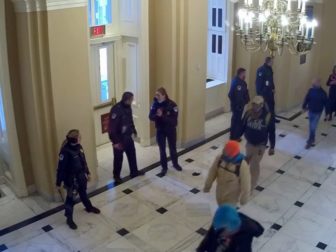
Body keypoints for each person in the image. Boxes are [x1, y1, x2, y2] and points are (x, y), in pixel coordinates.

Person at [56, 129, 100, 230]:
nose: (81, 138)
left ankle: (89, 207)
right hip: (71, 180)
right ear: (74, 139)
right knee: (70, 199)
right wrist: (58, 182)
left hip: (81, 176)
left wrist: (87, 173)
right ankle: (69, 218)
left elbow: (83, 161)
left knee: (83, 193)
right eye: (79, 137)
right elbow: (61, 169)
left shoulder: (79, 147)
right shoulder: (65, 151)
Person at [239, 96, 275, 190]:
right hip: (249, 143)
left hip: (260, 145)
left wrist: (272, 147)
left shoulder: (267, 116)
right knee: (247, 161)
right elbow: (242, 126)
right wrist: (236, 137)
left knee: (254, 164)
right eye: (254, 104)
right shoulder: (248, 114)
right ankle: (245, 179)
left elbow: (272, 132)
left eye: (257, 105)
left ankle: (251, 185)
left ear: (262, 105)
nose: (255, 107)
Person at [108, 92, 145, 184]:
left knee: (132, 154)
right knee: (118, 158)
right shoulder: (116, 109)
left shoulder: (128, 107)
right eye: (132, 100)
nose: (133, 101)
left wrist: (134, 130)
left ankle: (134, 171)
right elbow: (111, 128)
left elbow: (130, 121)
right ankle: (116, 176)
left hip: (128, 137)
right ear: (128, 100)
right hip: (119, 138)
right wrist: (115, 142)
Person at [197, 204, 264, 252]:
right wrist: (200, 249)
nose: (221, 234)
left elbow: (259, 230)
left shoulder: (245, 234)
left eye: (223, 231)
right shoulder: (220, 222)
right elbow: (209, 236)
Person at [203, 140, 251, 207]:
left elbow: (246, 184)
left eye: (227, 149)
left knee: (227, 214)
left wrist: (243, 200)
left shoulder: (242, 165)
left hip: (231, 198)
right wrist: (207, 187)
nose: (224, 150)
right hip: (219, 194)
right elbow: (212, 173)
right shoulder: (220, 158)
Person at [149, 87, 182, 176]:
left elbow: (173, 121)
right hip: (160, 130)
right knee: (162, 150)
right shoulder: (155, 104)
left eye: (158, 95)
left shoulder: (172, 105)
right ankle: (164, 167)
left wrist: (162, 116)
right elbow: (150, 117)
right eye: (156, 94)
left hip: (170, 129)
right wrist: (157, 115)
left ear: (164, 95)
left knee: (172, 148)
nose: (156, 96)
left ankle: (175, 164)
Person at [302, 78, 328, 149]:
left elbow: (326, 103)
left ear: (319, 84)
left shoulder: (323, 93)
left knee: (313, 127)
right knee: (311, 125)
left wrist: (327, 113)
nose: (312, 85)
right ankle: (312, 138)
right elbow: (307, 98)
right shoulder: (311, 90)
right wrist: (304, 106)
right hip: (310, 111)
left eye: (314, 83)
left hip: (317, 112)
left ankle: (310, 140)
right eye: (312, 83)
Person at [256, 57, 280, 123]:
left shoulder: (269, 69)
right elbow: (258, 83)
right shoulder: (261, 70)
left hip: (270, 93)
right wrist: (260, 94)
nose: (273, 63)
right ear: (268, 62)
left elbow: (271, 80)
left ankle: (272, 119)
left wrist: (273, 88)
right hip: (264, 93)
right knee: (264, 107)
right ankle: (263, 120)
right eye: (272, 62)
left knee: (272, 105)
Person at [228, 68, 250, 141]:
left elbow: (244, 93)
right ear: (241, 74)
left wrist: (245, 100)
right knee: (236, 121)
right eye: (244, 73)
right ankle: (234, 136)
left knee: (237, 120)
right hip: (237, 106)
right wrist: (236, 104)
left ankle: (235, 135)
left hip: (240, 105)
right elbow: (231, 95)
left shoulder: (241, 82)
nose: (245, 75)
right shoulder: (237, 83)